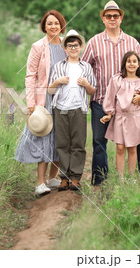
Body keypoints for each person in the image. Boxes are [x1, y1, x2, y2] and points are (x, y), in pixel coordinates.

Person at [81, 0, 140, 186]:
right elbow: (83, 69)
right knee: (99, 143)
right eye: (108, 16)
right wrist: (88, 90)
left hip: (129, 105)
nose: (112, 19)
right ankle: (100, 183)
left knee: (138, 141)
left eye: (116, 16)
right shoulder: (94, 42)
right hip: (100, 102)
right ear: (103, 19)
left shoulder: (132, 42)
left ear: (121, 18)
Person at [15, 10, 66, 196]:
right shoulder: (38, 47)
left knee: (62, 136)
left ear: (62, 25)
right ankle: (39, 183)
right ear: (44, 26)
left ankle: (53, 177)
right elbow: (30, 76)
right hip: (44, 99)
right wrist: (31, 103)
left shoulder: (66, 45)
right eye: (49, 23)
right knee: (44, 137)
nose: (53, 26)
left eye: (56, 23)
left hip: (64, 98)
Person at [48, 30, 96, 191]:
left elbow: (92, 91)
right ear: (65, 48)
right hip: (60, 109)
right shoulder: (59, 67)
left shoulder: (86, 67)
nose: (73, 48)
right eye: (69, 46)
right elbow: (49, 90)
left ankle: (75, 177)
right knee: (62, 143)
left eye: (76, 45)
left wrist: (86, 85)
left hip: (79, 109)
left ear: (81, 47)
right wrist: (57, 81)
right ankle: (64, 177)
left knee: (78, 143)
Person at [100, 51, 140, 178]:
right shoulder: (117, 80)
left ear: (138, 64)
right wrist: (109, 114)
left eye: (134, 61)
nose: (131, 64)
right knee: (120, 148)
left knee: (132, 148)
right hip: (120, 117)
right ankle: (120, 179)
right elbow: (110, 98)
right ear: (124, 64)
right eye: (129, 61)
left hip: (135, 118)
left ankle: (131, 178)